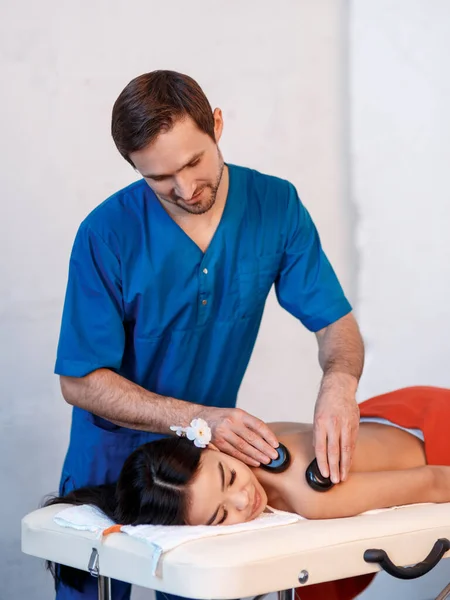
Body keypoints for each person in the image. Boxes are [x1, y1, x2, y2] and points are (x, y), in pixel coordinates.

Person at [54, 69, 364, 600]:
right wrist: (194, 419)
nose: (185, 189)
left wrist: (340, 381)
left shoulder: (276, 207)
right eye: (158, 179)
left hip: (208, 468)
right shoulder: (105, 234)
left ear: (216, 125)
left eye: (194, 162)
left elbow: (337, 326)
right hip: (111, 463)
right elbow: (80, 383)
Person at [46, 386, 450, 600]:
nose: (244, 500)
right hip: (394, 414)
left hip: (433, 432)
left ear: (212, 444)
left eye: (228, 478)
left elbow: (433, 482)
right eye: (220, 517)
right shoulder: (240, 445)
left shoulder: (313, 494)